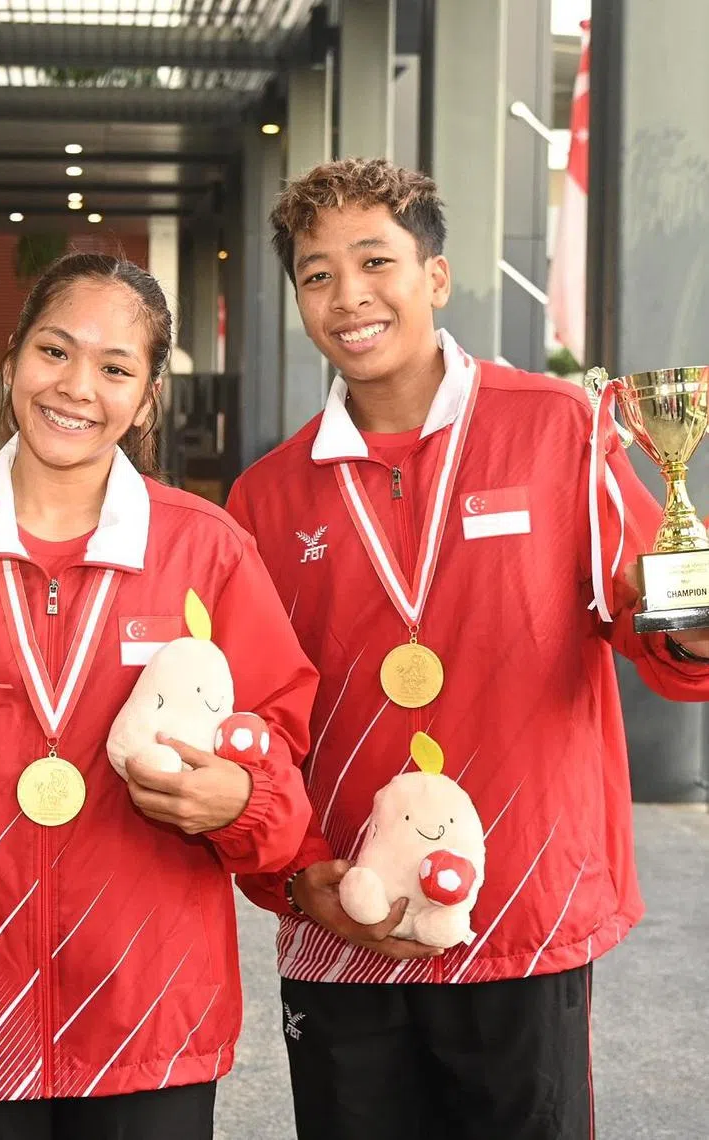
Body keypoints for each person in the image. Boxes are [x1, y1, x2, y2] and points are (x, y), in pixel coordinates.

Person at [225, 156, 709, 1140]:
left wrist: (692, 630)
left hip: (524, 916)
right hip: (344, 916)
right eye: (317, 275)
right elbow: (255, 726)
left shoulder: (561, 430)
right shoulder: (267, 497)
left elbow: (662, 644)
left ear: (434, 279)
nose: (349, 296)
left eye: (376, 262)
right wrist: (294, 874)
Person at [0, 252, 320, 1140]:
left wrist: (242, 799)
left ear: (149, 395)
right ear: (11, 361)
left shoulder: (207, 550)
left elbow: (277, 760)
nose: (78, 387)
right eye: (55, 351)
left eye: (116, 368)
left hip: (147, 1007)